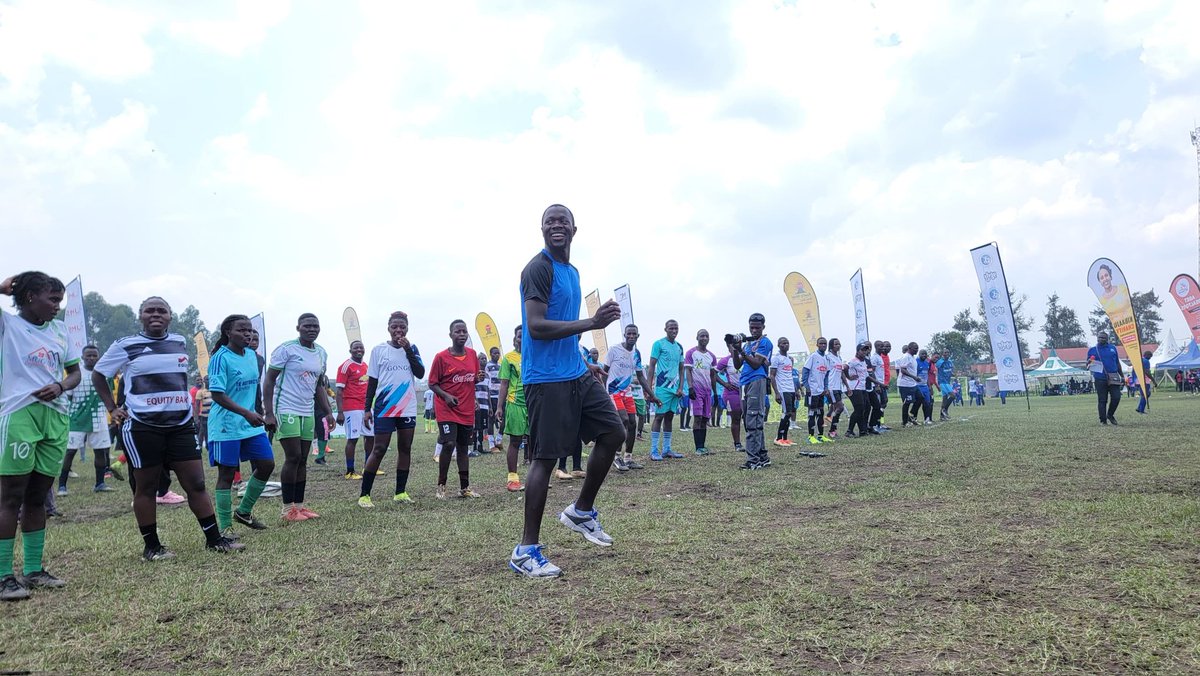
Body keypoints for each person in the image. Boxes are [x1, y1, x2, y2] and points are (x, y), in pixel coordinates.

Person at [509, 204, 626, 578]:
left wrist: (580, 357)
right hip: (545, 379)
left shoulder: (571, 272)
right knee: (544, 460)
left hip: (575, 372)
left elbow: (559, 324)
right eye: (549, 221)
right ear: (541, 229)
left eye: (563, 221)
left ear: (574, 229)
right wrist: (592, 323)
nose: (556, 226)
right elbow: (538, 327)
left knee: (614, 432)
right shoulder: (537, 269)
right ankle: (526, 550)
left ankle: (581, 511)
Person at [93, 296, 241, 561]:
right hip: (142, 426)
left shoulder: (179, 342)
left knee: (196, 483)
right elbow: (98, 374)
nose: (155, 314)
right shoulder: (125, 345)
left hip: (181, 425)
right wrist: (112, 408)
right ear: (140, 316)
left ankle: (214, 539)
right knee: (146, 487)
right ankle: (152, 547)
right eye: (149, 310)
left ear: (170, 316)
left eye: (161, 310)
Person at [0, 273, 80, 600]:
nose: (57, 307)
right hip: (19, 413)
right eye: (52, 300)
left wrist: (61, 385)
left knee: (37, 497)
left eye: (60, 301)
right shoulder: (8, 326)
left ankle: (33, 570)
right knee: (10, 496)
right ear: (30, 296)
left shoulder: (60, 331)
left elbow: (75, 373)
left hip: (56, 417)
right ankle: (4, 576)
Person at [205, 315, 274, 539]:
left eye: (250, 330)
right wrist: (245, 413)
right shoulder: (219, 358)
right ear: (228, 333)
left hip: (250, 422)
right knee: (227, 474)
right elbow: (217, 394)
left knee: (266, 464)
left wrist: (259, 412)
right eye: (242, 330)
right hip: (226, 424)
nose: (248, 334)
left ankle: (243, 512)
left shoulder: (253, 356)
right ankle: (225, 527)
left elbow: (252, 389)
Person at [262, 313, 333, 521]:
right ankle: (287, 510)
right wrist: (268, 412)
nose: (312, 329)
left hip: (306, 410)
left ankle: (299, 507)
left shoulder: (321, 353)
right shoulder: (286, 349)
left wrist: (328, 411)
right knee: (292, 457)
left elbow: (319, 385)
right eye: (307, 326)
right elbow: (269, 381)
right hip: (286, 408)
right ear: (298, 328)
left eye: (316, 326)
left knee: (303, 459)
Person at [358, 311, 425, 508]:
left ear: (407, 328)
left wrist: (408, 351)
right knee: (378, 449)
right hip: (384, 407)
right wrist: (367, 408)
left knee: (405, 448)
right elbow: (372, 381)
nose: (398, 330)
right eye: (394, 326)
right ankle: (364, 495)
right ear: (388, 328)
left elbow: (420, 373)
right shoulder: (378, 350)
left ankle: (400, 492)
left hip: (407, 407)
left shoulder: (412, 348)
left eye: (402, 327)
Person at [429, 320, 483, 500]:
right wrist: (445, 396)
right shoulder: (441, 357)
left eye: (464, 331)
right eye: (457, 331)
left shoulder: (473, 355)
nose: (461, 334)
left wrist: (477, 380)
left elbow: (471, 380)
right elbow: (432, 383)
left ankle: (464, 487)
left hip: (466, 409)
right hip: (446, 408)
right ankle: (441, 486)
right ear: (451, 335)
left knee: (463, 447)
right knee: (449, 443)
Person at [60, 345, 115, 495]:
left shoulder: (104, 374)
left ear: (99, 357)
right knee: (70, 452)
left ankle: (100, 483)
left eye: (94, 356)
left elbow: (108, 395)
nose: (91, 358)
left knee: (101, 452)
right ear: (82, 357)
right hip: (77, 419)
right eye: (88, 356)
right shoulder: (76, 374)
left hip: (99, 419)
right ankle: (62, 486)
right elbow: (68, 397)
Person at [604, 324, 657, 470]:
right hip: (613, 391)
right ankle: (616, 457)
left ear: (638, 336)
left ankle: (628, 458)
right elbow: (604, 371)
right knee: (624, 420)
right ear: (625, 335)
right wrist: (603, 393)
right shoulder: (614, 350)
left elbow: (640, 376)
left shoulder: (636, 354)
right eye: (629, 334)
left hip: (627, 393)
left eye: (634, 334)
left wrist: (652, 395)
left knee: (633, 423)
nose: (631, 336)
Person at [729, 314, 773, 469]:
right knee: (750, 421)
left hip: (757, 380)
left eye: (757, 327)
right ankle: (762, 456)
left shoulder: (765, 342)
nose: (754, 330)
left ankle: (753, 460)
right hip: (744, 382)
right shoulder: (748, 344)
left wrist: (742, 349)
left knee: (754, 419)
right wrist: (735, 349)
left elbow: (756, 364)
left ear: (763, 327)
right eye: (751, 327)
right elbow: (736, 365)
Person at [336, 340, 374, 479]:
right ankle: (350, 471)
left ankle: (369, 467)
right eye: (356, 347)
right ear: (350, 350)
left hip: (366, 407)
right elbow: (339, 391)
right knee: (353, 439)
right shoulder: (346, 366)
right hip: (351, 407)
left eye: (361, 347)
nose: (359, 350)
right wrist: (340, 412)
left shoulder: (365, 366)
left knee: (371, 437)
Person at [648, 320, 685, 461]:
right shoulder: (658, 344)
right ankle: (653, 450)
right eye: (671, 328)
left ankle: (667, 449)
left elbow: (682, 369)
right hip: (662, 387)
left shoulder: (679, 346)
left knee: (669, 416)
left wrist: (681, 387)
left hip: (675, 389)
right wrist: (649, 387)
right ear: (665, 329)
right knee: (659, 416)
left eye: (676, 328)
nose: (674, 330)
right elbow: (652, 366)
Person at [496, 326, 527, 491]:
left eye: (526, 336)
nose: (522, 339)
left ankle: (536, 478)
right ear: (515, 339)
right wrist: (499, 406)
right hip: (515, 403)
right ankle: (512, 480)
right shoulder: (508, 358)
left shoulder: (535, 355)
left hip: (534, 403)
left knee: (536, 442)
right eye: (520, 336)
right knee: (515, 441)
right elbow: (504, 383)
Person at [684, 329, 717, 455]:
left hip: (707, 391)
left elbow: (713, 375)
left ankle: (703, 446)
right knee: (697, 417)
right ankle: (698, 447)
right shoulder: (691, 353)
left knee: (704, 418)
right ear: (697, 337)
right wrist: (690, 387)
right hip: (696, 390)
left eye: (706, 336)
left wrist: (715, 393)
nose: (704, 338)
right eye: (702, 336)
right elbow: (688, 371)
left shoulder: (712, 356)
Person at [802, 337, 833, 444]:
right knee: (812, 413)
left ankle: (820, 436)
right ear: (817, 345)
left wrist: (826, 387)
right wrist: (807, 386)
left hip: (821, 391)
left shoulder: (826, 358)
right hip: (812, 390)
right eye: (821, 343)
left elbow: (827, 375)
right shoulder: (813, 356)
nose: (823, 345)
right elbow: (805, 371)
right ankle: (810, 437)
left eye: (825, 343)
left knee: (821, 412)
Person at [1086, 331, 1123, 425]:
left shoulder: (1113, 348)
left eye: (1103, 337)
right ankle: (1103, 420)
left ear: (1107, 339)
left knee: (1116, 397)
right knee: (1102, 400)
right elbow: (1087, 364)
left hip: (1113, 376)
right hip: (1100, 378)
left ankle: (1110, 415)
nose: (1101, 339)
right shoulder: (1092, 350)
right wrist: (1089, 362)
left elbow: (1117, 363)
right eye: (1099, 337)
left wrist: (1122, 375)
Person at [714, 348, 744, 452]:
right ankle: (737, 444)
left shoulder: (746, 358)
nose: (735, 348)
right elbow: (713, 373)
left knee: (748, 418)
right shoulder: (725, 360)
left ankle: (751, 442)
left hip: (746, 391)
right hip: (732, 393)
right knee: (736, 418)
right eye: (732, 347)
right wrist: (725, 384)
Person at [770, 337, 797, 447]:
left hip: (791, 389)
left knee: (790, 413)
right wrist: (776, 392)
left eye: (787, 343)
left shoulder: (790, 359)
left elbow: (790, 375)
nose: (785, 345)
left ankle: (785, 438)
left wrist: (796, 390)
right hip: (783, 389)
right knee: (787, 413)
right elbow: (772, 375)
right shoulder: (776, 358)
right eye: (783, 343)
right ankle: (778, 437)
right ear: (778, 345)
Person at [844, 341, 873, 438]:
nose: (864, 352)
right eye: (862, 350)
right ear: (857, 351)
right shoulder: (853, 361)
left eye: (866, 350)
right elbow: (844, 368)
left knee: (867, 407)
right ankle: (849, 431)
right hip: (854, 387)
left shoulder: (863, 361)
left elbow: (866, 376)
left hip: (862, 387)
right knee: (859, 409)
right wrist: (848, 377)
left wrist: (879, 384)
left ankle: (863, 430)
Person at [825, 338, 848, 438]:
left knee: (837, 408)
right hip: (831, 387)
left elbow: (841, 373)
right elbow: (825, 373)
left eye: (839, 344)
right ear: (831, 346)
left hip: (838, 387)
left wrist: (847, 386)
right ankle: (832, 431)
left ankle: (832, 428)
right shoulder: (828, 357)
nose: (838, 346)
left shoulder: (839, 357)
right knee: (840, 407)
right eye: (835, 344)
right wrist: (826, 387)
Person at [895, 343, 921, 427]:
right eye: (915, 348)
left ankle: (912, 415)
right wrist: (914, 377)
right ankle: (905, 422)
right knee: (907, 403)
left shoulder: (913, 357)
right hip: (905, 384)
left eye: (917, 348)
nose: (916, 350)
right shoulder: (906, 357)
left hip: (912, 383)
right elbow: (903, 370)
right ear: (909, 348)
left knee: (920, 398)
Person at [471, 352, 491, 457]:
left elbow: (488, 392)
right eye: (481, 358)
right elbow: (472, 389)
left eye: (485, 358)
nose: (484, 360)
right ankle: (474, 447)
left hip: (485, 406)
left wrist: (490, 407)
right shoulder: (475, 374)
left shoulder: (487, 375)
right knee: (476, 427)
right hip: (476, 405)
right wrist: (475, 401)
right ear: (477, 360)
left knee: (483, 427)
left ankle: (480, 447)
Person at [915, 349, 934, 424]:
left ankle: (927, 419)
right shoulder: (916, 362)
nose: (924, 355)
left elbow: (927, 376)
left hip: (925, 386)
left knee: (927, 403)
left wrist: (929, 386)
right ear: (919, 354)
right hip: (917, 386)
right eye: (922, 354)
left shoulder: (927, 363)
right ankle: (914, 419)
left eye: (925, 354)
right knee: (917, 403)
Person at [936, 352, 955, 421]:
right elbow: (936, 367)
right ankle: (944, 410)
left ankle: (942, 416)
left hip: (947, 382)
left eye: (947, 353)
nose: (946, 354)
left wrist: (953, 374)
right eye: (944, 353)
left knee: (944, 398)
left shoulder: (950, 362)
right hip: (942, 382)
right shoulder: (940, 361)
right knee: (953, 396)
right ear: (943, 354)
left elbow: (951, 370)